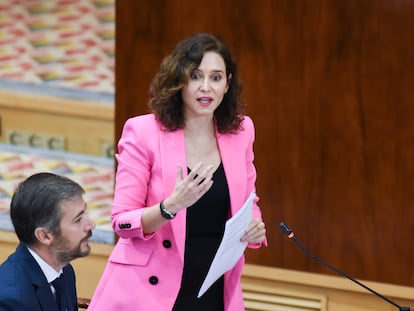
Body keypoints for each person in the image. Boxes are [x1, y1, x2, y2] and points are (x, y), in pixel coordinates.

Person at [88, 32, 267, 311]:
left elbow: (248, 199)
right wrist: (170, 206)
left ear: (227, 84)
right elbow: (121, 222)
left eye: (216, 78)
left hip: (213, 286)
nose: (205, 87)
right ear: (179, 80)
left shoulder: (241, 131)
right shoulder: (143, 132)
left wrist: (254, 225)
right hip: (150, 290)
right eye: (195, 76)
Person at [0, 172, 96, 311]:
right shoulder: (10, 299)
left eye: (85, 213)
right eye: (78, 220)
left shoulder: (64, 270)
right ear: (45, 235)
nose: (91, 224)